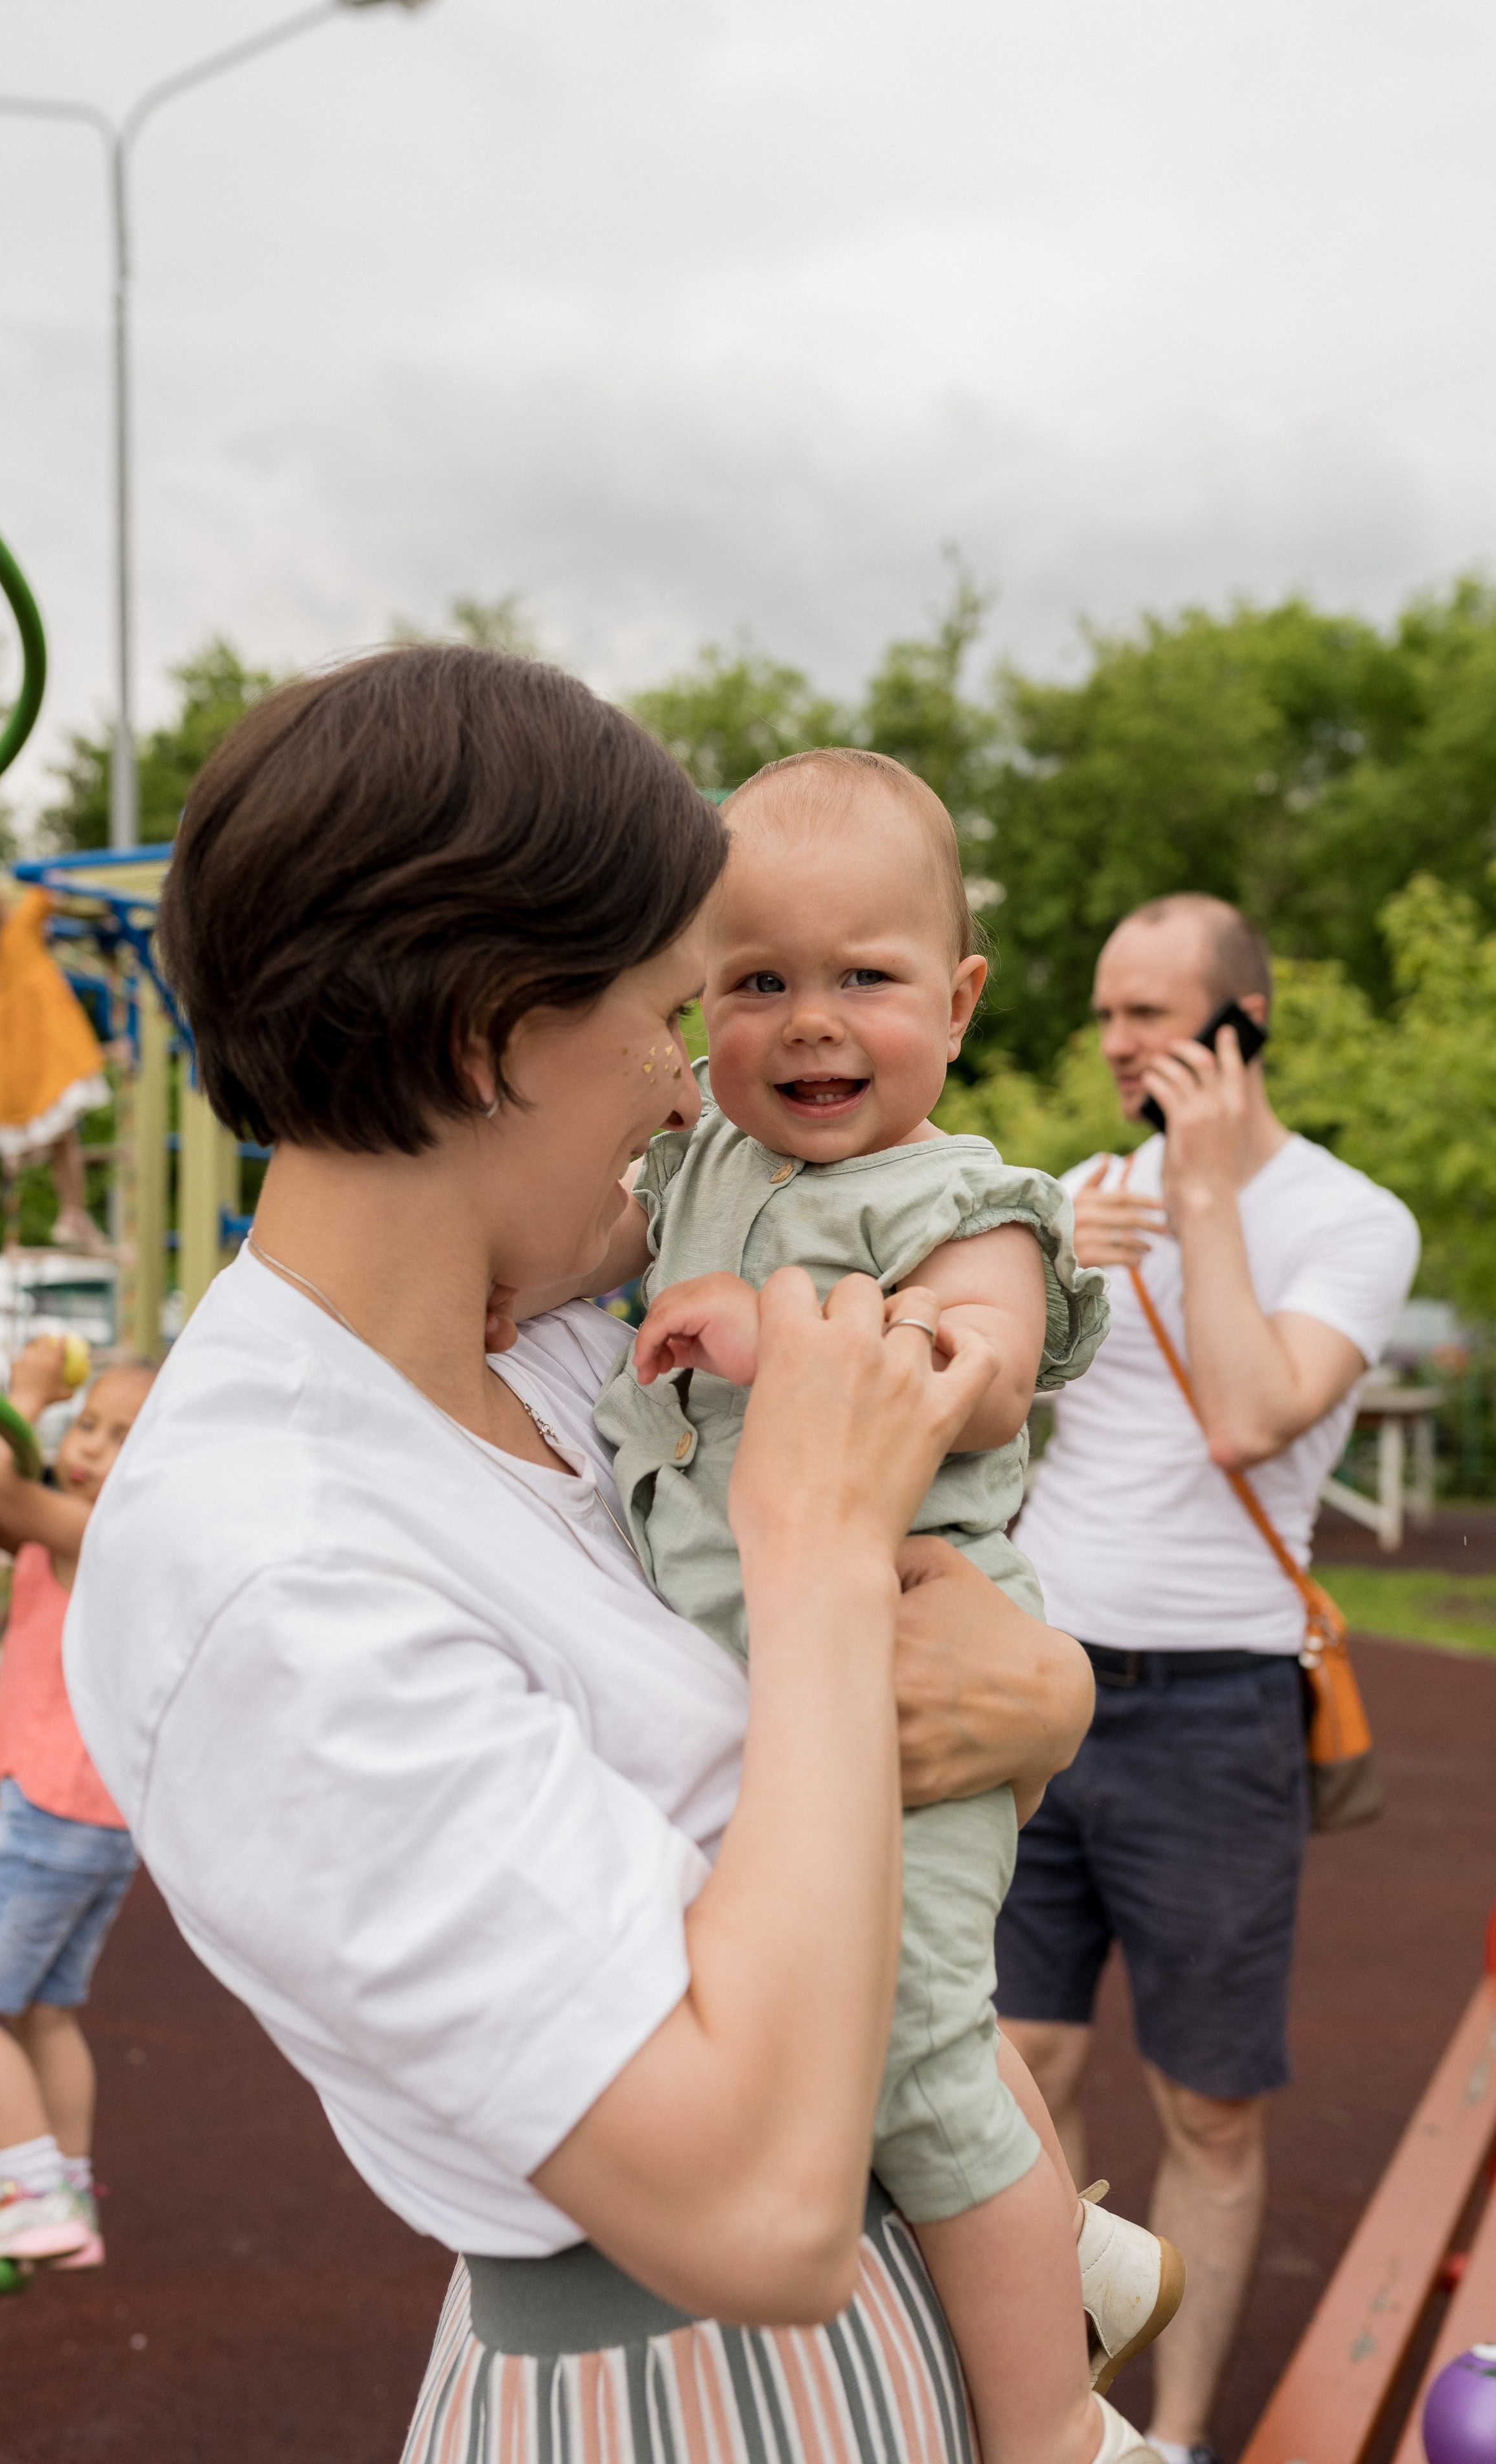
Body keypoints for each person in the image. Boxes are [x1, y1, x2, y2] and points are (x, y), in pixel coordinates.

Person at [64, 645, 1100, 2464]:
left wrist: (1044, 1696)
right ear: (492, 1038)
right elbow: (755, 2212)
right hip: (701, 2392)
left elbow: (923, 1690)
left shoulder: (546, 1343)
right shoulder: (272, 1580)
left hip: (887, 2324)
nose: (686, 1081)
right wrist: (822, 1555)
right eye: (660, 1011)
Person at [508, 745, 1180, 2464]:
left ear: (954, 1004)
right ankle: (1081, 2252)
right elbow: (577, 1256)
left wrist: (789, 1335)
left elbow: (981, 1368)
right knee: (853, 2002)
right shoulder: (697, 1177)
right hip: (780, 1704)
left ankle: (1055, 2427)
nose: (811, 1024)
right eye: (757, 983)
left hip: (909, 1679)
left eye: (864, 980)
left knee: (909, 2051)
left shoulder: (962, 1203)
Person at [997, 893, 1421, 2464]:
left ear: (1239, 1028)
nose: (1115, 1046)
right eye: (1103, 1014)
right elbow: (962, 1423)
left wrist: (1201, 1203)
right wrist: (1043, 1272)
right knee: (1012, 2066)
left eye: (1150, 1018)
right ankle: (1049, 2398)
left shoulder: (1348, 1219)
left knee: (1205, 2103)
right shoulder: (1070, 1197)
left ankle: (1171, 2436)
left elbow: (1249, 1414)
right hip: (1035, 1675)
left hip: (1215, 1702)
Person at [0, 1340, 155, 2268]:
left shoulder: (107, 1532)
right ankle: (69, 2192)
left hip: (48, 1814)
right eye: (85, 1424)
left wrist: (24, 1400)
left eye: (124, 1436)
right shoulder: (70, 1527)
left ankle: (25, 2184)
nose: (89, 1447)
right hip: (95, 1824)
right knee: (44, 2013)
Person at [0, 876, 112, 1253]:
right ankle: (72, 1214)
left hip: (6, 1076)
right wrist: (42, 881)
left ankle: (65, 1206)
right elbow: (49, 891)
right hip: (43, 1061)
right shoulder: (19, 933)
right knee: (64, 1140)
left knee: (57, 1139)